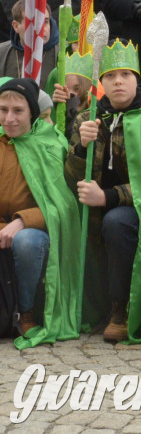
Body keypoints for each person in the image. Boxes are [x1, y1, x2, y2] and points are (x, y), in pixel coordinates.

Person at [64, 39, 141, 343]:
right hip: (96, 205)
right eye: (110, 76)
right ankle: (87, 306)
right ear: (101, 82)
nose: (118, 82)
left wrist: (109, 197)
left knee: (116, 222)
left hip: (139, 211)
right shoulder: (88, 117)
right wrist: (81, 147)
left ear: (136, 79)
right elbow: (72, 177)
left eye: (125, 75)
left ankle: (122, 309)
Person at [0, 78, 82, 346]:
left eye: (18, 111)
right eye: (3, 110)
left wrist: (23, 221)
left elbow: (62, 205)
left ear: (32, 112)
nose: (9, 118)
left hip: (33, 233)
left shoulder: (50, 144)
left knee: (27, 242)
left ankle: (25, 312)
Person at [0, 0, 57, 81]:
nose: (41, 29)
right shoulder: (2, 52)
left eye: (45, 22)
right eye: (33, 23)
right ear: (16, 26)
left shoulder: (64, 53)